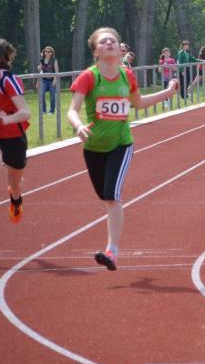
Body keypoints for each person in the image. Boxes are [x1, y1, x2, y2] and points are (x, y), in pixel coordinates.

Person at [67, 27, 178, 271]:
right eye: (103, 42)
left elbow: (138, 103)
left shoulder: (127, 76)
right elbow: (72, 110)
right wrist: (78, 126)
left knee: (112, 196)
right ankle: (112, 249)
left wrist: (168, 93)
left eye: (113, 41)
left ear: (120, 50)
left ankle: (112, 251)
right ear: (96, 52)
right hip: (93, 147)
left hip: (121, 144)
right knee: (105, 197)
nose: (109, 43)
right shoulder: (89, 77)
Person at [0, 38, 31, 225]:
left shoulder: (7, 80)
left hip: (13, 136)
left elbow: (25, 112)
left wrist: (4, 119)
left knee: (15, 185)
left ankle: (15, 199)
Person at [37, 46, 59, 114]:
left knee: (52, 96)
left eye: (49, 51)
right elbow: (40, 71)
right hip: (44, 80)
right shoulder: (42, 60)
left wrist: (55, 80)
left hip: (52, 80)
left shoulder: (54, 60)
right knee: (42, 94)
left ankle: (52, 111)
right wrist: (38, 82)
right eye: (46, 51)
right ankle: (43, 110)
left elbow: (56, 71)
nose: (47, 53)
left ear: (51, 53)